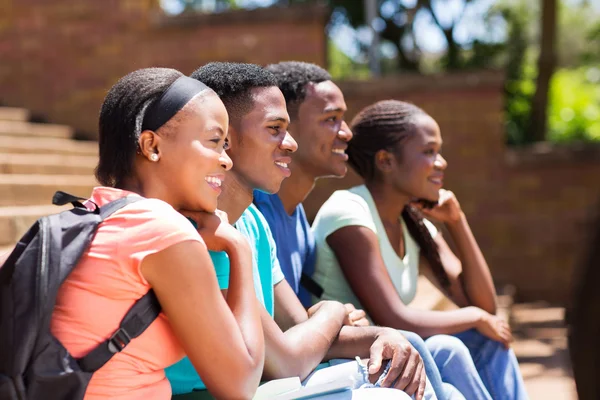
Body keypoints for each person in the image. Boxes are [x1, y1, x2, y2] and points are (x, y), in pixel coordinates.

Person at [167, 62, 425, 400]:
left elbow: (297, 328)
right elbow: (287, 361)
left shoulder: (252, 223)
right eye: (274, 128)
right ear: (224, 138)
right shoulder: (203, 231)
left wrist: (383, 336)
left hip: (265, 384)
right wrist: (334, 309)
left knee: (401, 355)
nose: (290, 144)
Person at [49, 68, 264, 399]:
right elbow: (242, 382)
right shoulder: (161, 232)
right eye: (214, 141)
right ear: (151, 146)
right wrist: (239, 248)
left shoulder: (93, 215)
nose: (226, 161)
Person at [255, 61, 466, 400]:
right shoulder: (255, 216)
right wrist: (334, 313)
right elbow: (286, 336)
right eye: (331, 119)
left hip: (307, 358)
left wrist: (335, 316)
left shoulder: (298, 225)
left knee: (446, 356)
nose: (347, 133)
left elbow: (301, 319)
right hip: (281, 376)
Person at [311, 99, 529, 400]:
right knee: (452, 348)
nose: (442, 162)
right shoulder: (348, 211)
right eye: (429, 152)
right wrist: (475, 317)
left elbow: (483, 303)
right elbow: (394, 318)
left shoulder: (411, 223)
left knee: (488, 342)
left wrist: (457, 222)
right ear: (386, 161)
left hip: (398, 350)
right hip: (352, 358)